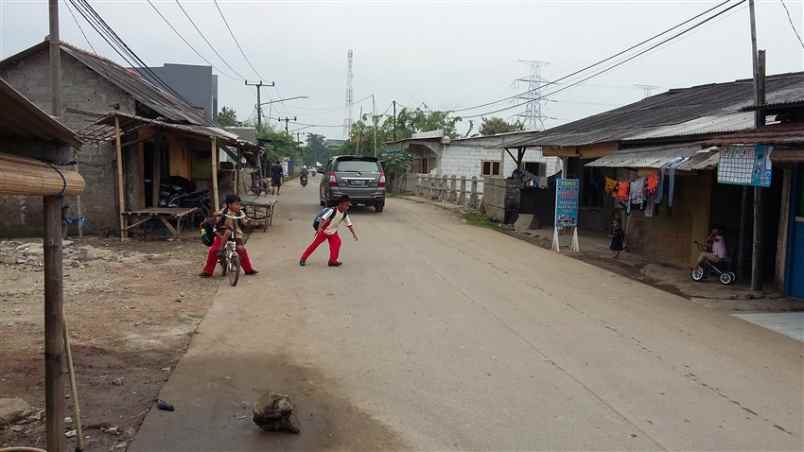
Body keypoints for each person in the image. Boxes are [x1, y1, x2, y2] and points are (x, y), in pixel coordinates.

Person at [200, 194, 258, 277]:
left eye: (239, 204)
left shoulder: (240, 212)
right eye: (236, 204)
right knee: (213, 251)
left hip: (236, 235)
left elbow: (244, 221)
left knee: (242, 250)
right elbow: (216, 217)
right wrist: (217, 215)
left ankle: (248, 270)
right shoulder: (224, 211)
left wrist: (248, 221)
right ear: (229, 205)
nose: (239, 206)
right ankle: (207, 271)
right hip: (222, 234)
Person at [299, 196, 358, 267]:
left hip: (333, 232)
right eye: (346, 205)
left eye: (348, 205)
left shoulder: (344, 214)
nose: (348, 207)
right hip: (323, 231)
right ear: (341, 204)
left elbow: (349, 225)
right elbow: (323, 219)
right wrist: (319, 228)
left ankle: (332, 261)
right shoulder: (332, 211)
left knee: (337, 244)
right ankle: (303, 259)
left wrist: (354, 234)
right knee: (314, 245)